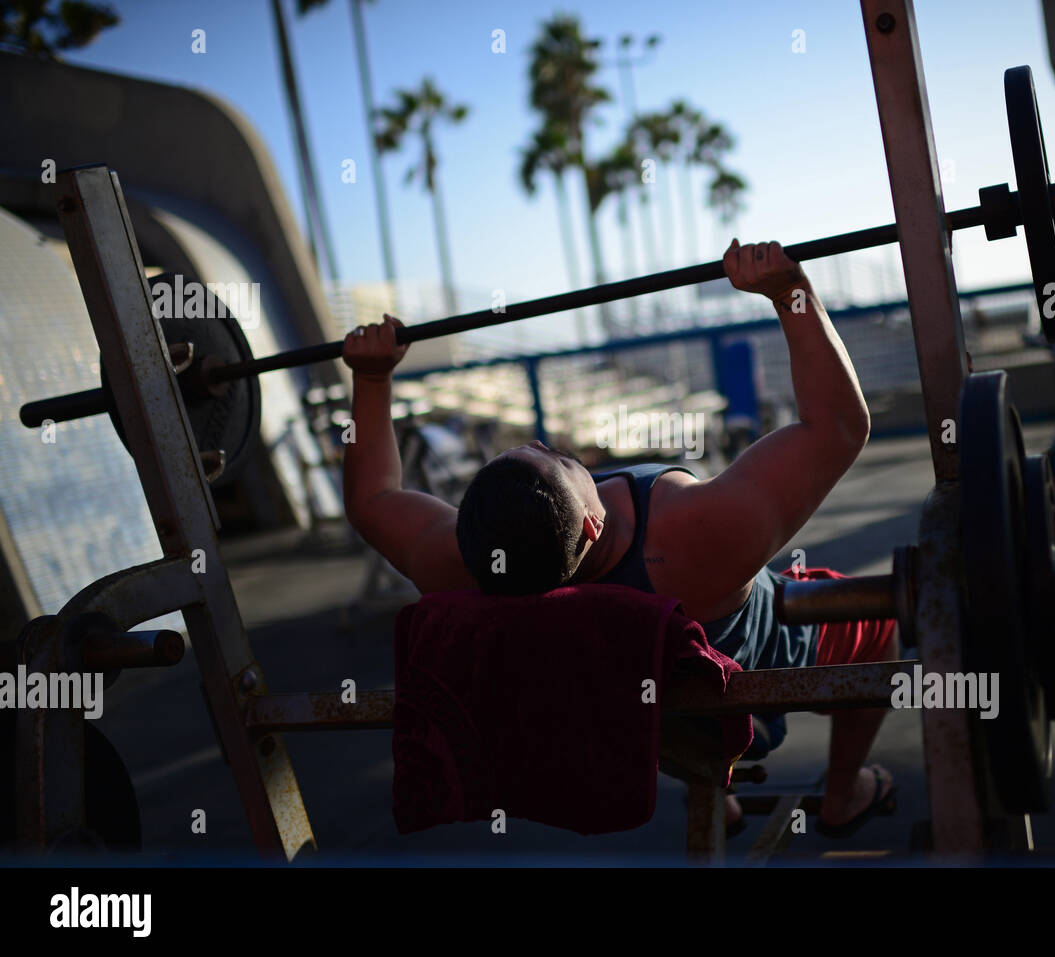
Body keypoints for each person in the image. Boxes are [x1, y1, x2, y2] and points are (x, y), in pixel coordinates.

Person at [343, 240, 898, 837]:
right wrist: (791, 292)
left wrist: (371, 379)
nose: (547, 443)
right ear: (589, 524)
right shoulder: (695, 532)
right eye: (557, 457)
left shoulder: (462, 559)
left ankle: (715, 791)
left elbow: (370, 500)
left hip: (642, 715)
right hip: (739, 696)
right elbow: (839, 426)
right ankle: (843, 792)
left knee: (657, 667)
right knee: (879, 628)